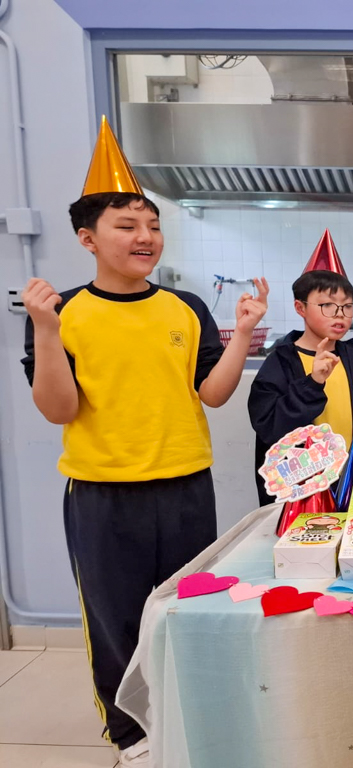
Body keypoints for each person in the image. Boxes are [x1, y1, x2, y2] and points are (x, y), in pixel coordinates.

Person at [20, 117, 267, 767]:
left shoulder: (185, 308)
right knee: (115, 620)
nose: (145, 237)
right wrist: (45, 330)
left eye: (152, 225)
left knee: (186, 611)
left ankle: (187, 715)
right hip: (102, 494)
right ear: (87, 238)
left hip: (186, 485)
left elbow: (213, 394)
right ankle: (130, 734)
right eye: (126, 225)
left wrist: (243, 333)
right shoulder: (63, 311)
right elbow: (58, 409)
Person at [248, 230, 353, 506]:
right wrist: (313, 383)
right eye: (327, 305)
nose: (340, 314)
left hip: (348, 483)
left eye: (347, 306)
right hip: (301, 492)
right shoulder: (281, 362)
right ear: (300, 307)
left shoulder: (351, 360)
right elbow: (270, 427)